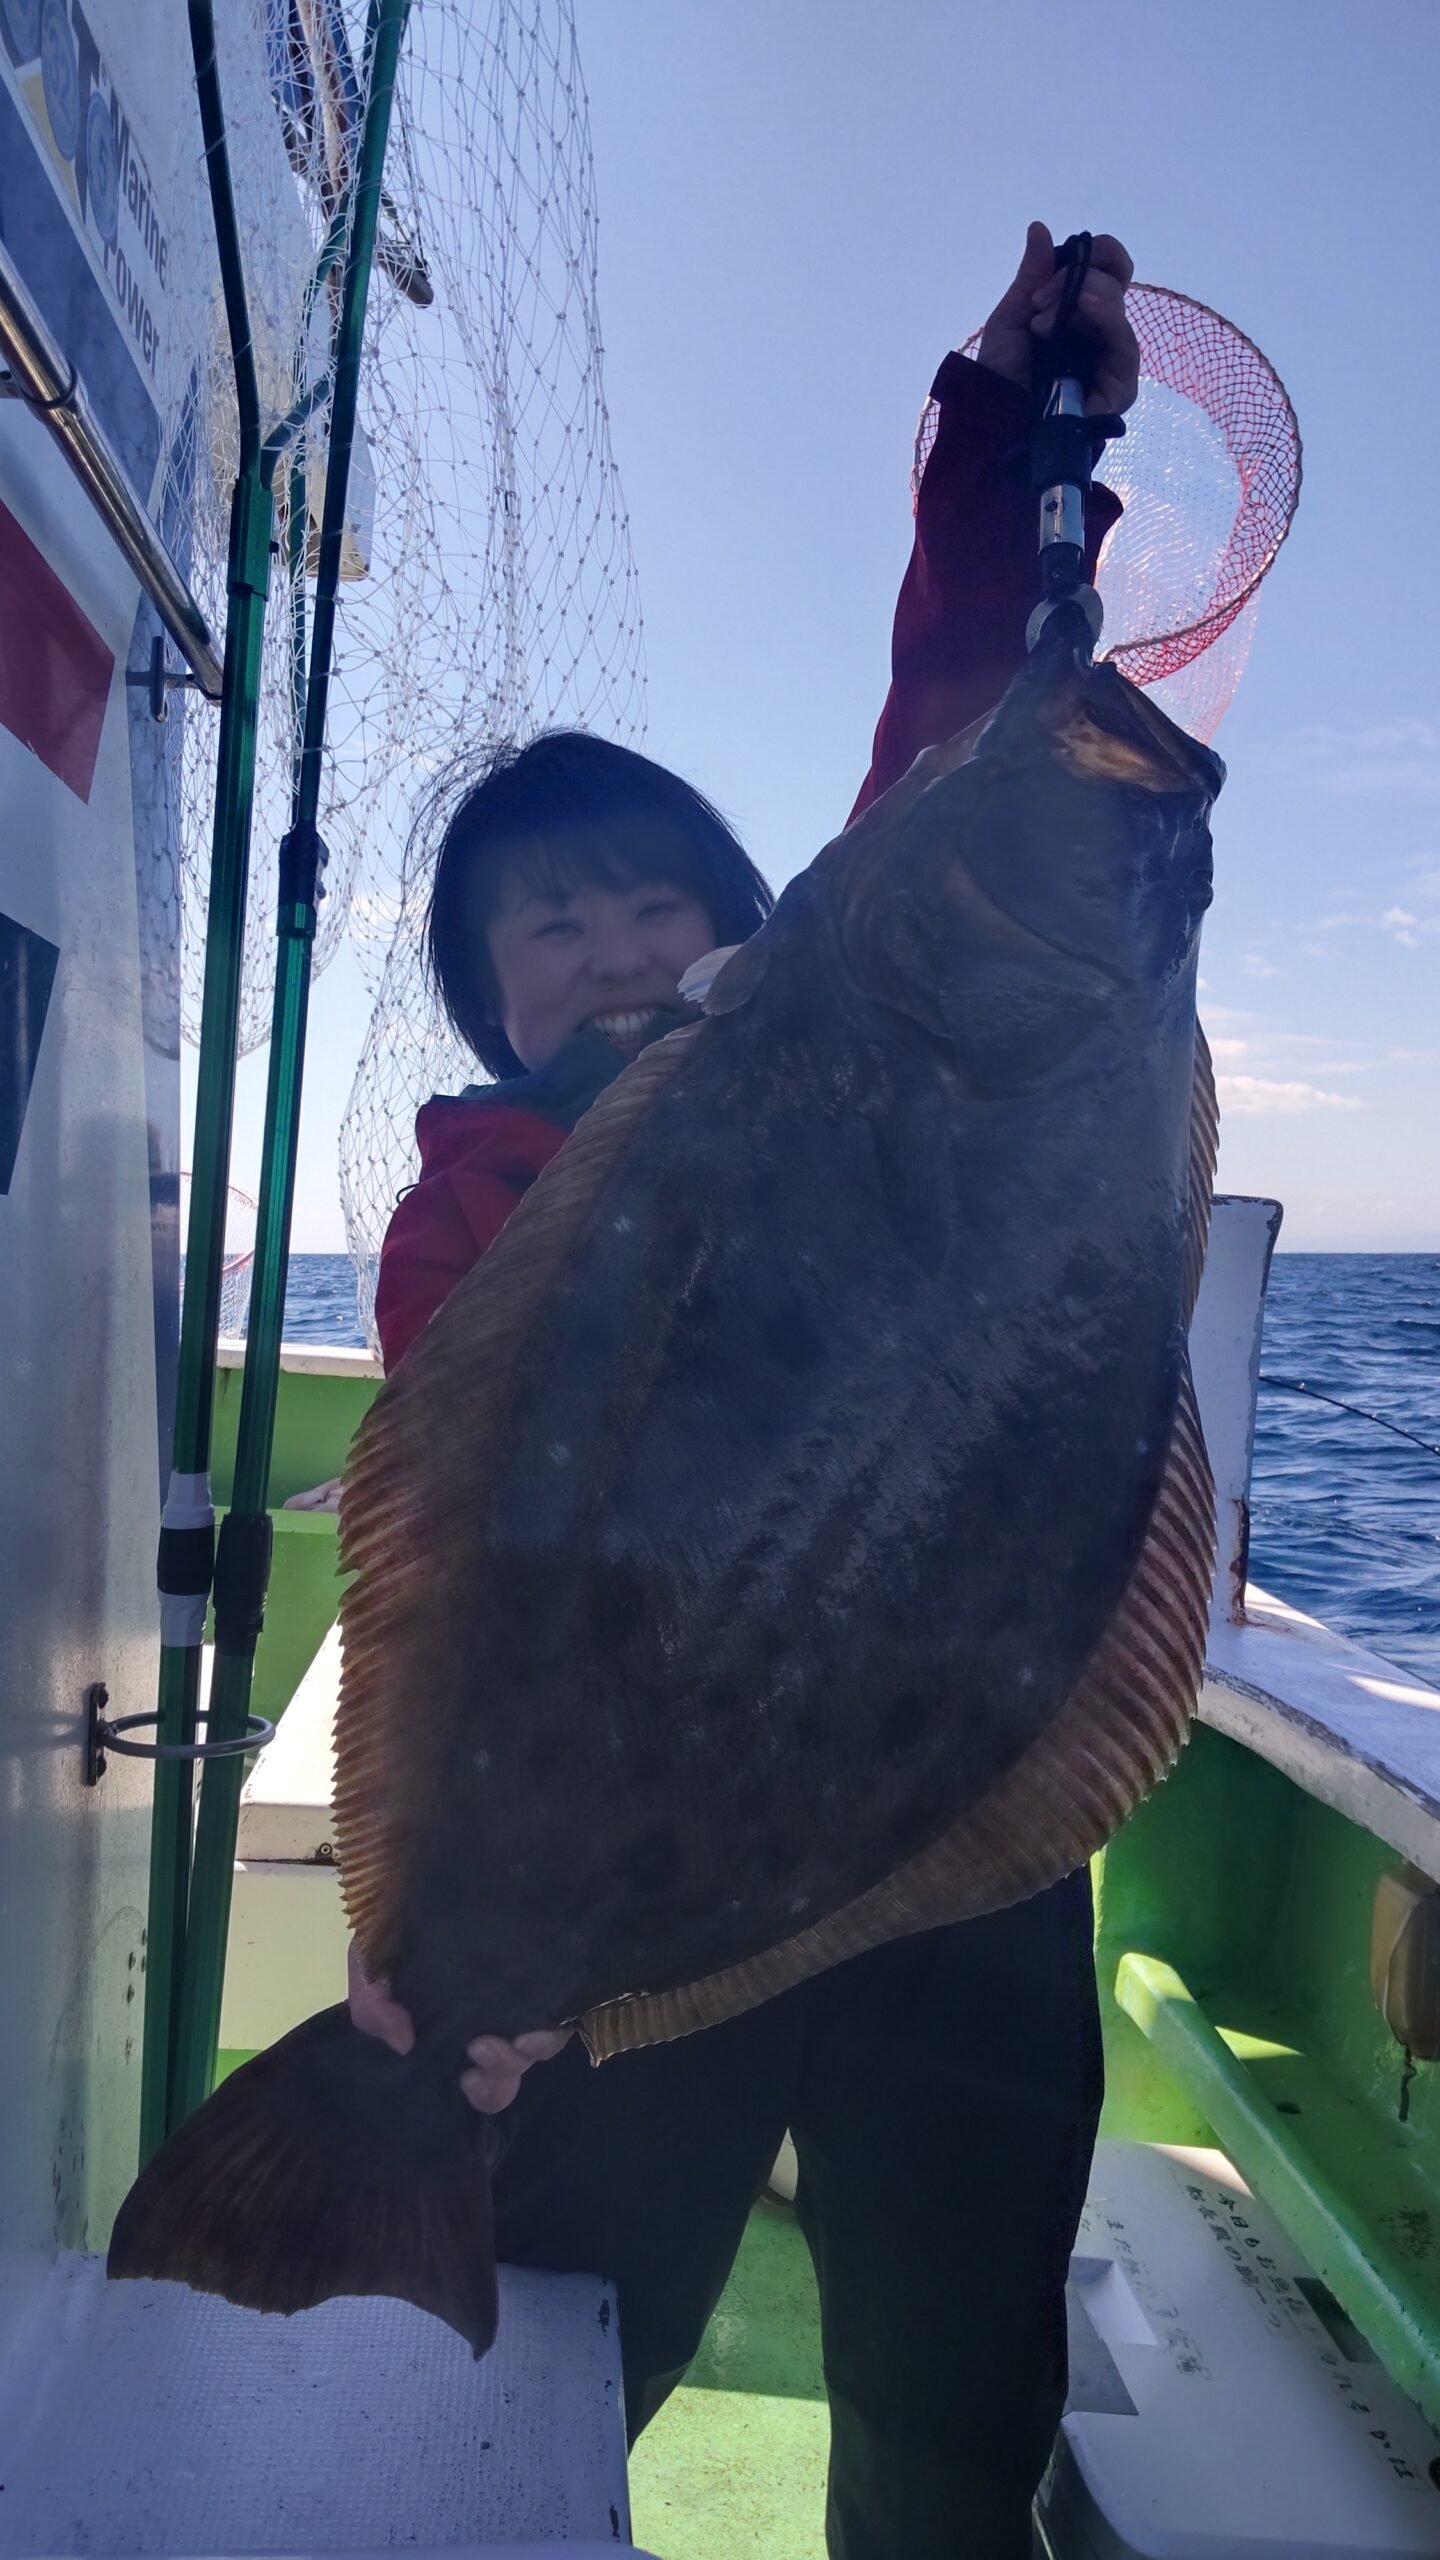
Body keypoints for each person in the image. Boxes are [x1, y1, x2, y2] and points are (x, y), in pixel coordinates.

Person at [324, 224, 1140, 2559]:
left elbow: (949, 750)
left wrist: (1008, 444)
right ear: (487, 995)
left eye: (653, 903)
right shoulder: (465, 1212)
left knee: (954, 2376)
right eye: (550, 923)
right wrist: (450, 1925)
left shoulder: (860, 1033)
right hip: (646, 1877)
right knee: (575, 2332)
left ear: (744, 924)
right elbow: (486, 1550)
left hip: (957, 1814)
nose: (611, 948)